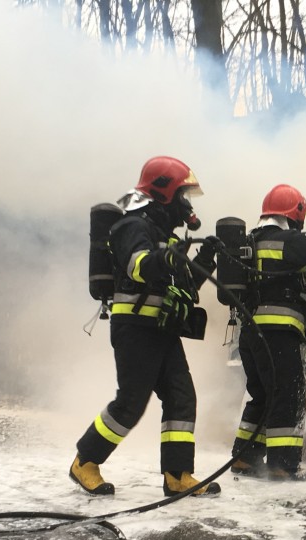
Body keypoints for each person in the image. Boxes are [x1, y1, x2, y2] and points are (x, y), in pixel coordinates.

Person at [70, 155, 221, 497]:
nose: (186, 204)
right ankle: (85, 461)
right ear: (164, 191)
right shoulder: (132, 226)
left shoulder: (163, 233)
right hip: (135, 327)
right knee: (131, 403)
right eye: (183, 195)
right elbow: (139, 266)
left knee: (182, 398)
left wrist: (205, 258)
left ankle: (178, 475)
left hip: (162, 326)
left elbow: (185, 287)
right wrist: (165, 257)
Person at [230, 184, 306, 481]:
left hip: (250, 334)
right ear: (293, 215)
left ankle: (245, 458)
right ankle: (283, 465)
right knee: (288, 395)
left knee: (262, 394)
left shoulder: (249, 241)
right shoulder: (287, 242)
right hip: (277, 333)